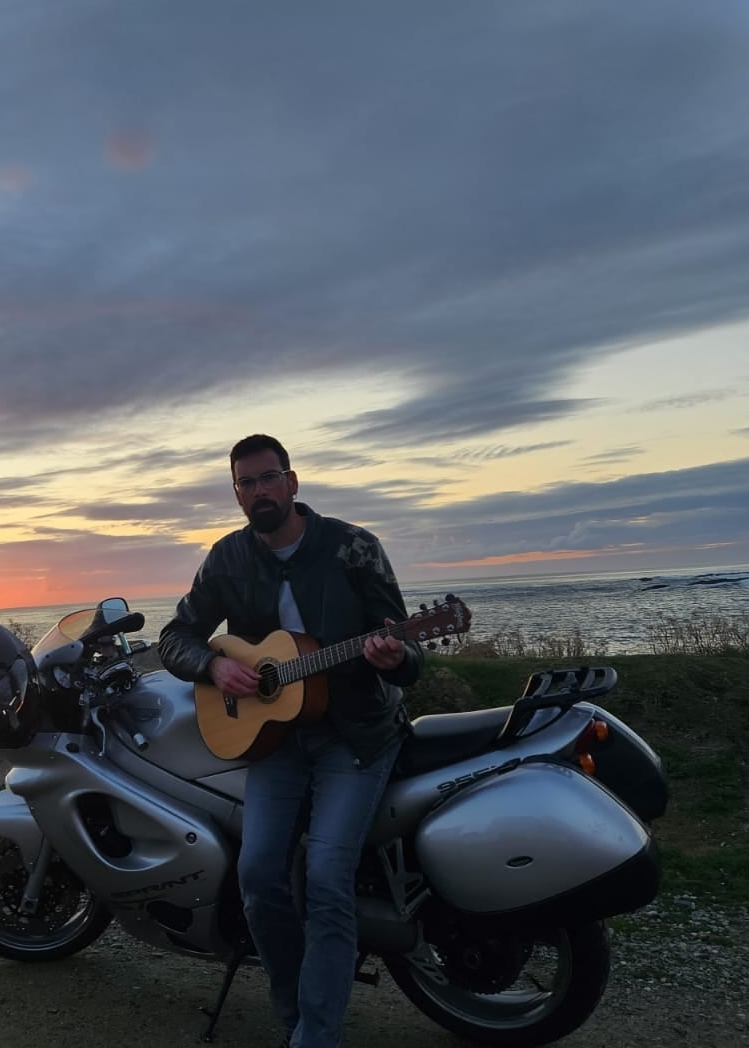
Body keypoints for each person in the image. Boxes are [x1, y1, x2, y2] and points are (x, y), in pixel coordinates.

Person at [159, 433, 421, 1048]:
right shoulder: (227, 559)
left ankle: (315, 1038)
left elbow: (409, 656)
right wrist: (214, 667)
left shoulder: (354, 549)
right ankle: (293, 1016)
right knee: (257, 878)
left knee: (328, 877)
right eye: (245, 483)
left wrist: (391, 656)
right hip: (275, 741)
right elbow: (176, 636)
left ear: (293, 482)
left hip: (354, 735)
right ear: (236, 493)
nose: (258, 491)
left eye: (268, 478)